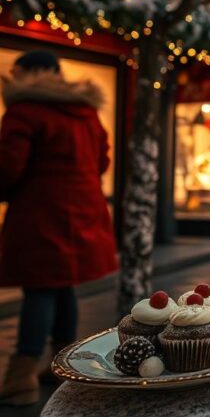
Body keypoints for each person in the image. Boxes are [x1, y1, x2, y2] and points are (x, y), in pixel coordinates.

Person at [0, 51, 117, 406]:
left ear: (29, 74)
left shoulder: (25, 110)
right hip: (82, 211)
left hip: (41, 213)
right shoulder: (85, 111)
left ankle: (20, 378)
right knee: (62, 287)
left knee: (40, 290)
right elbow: (102, 160)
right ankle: (60, 364)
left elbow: (7, 168)